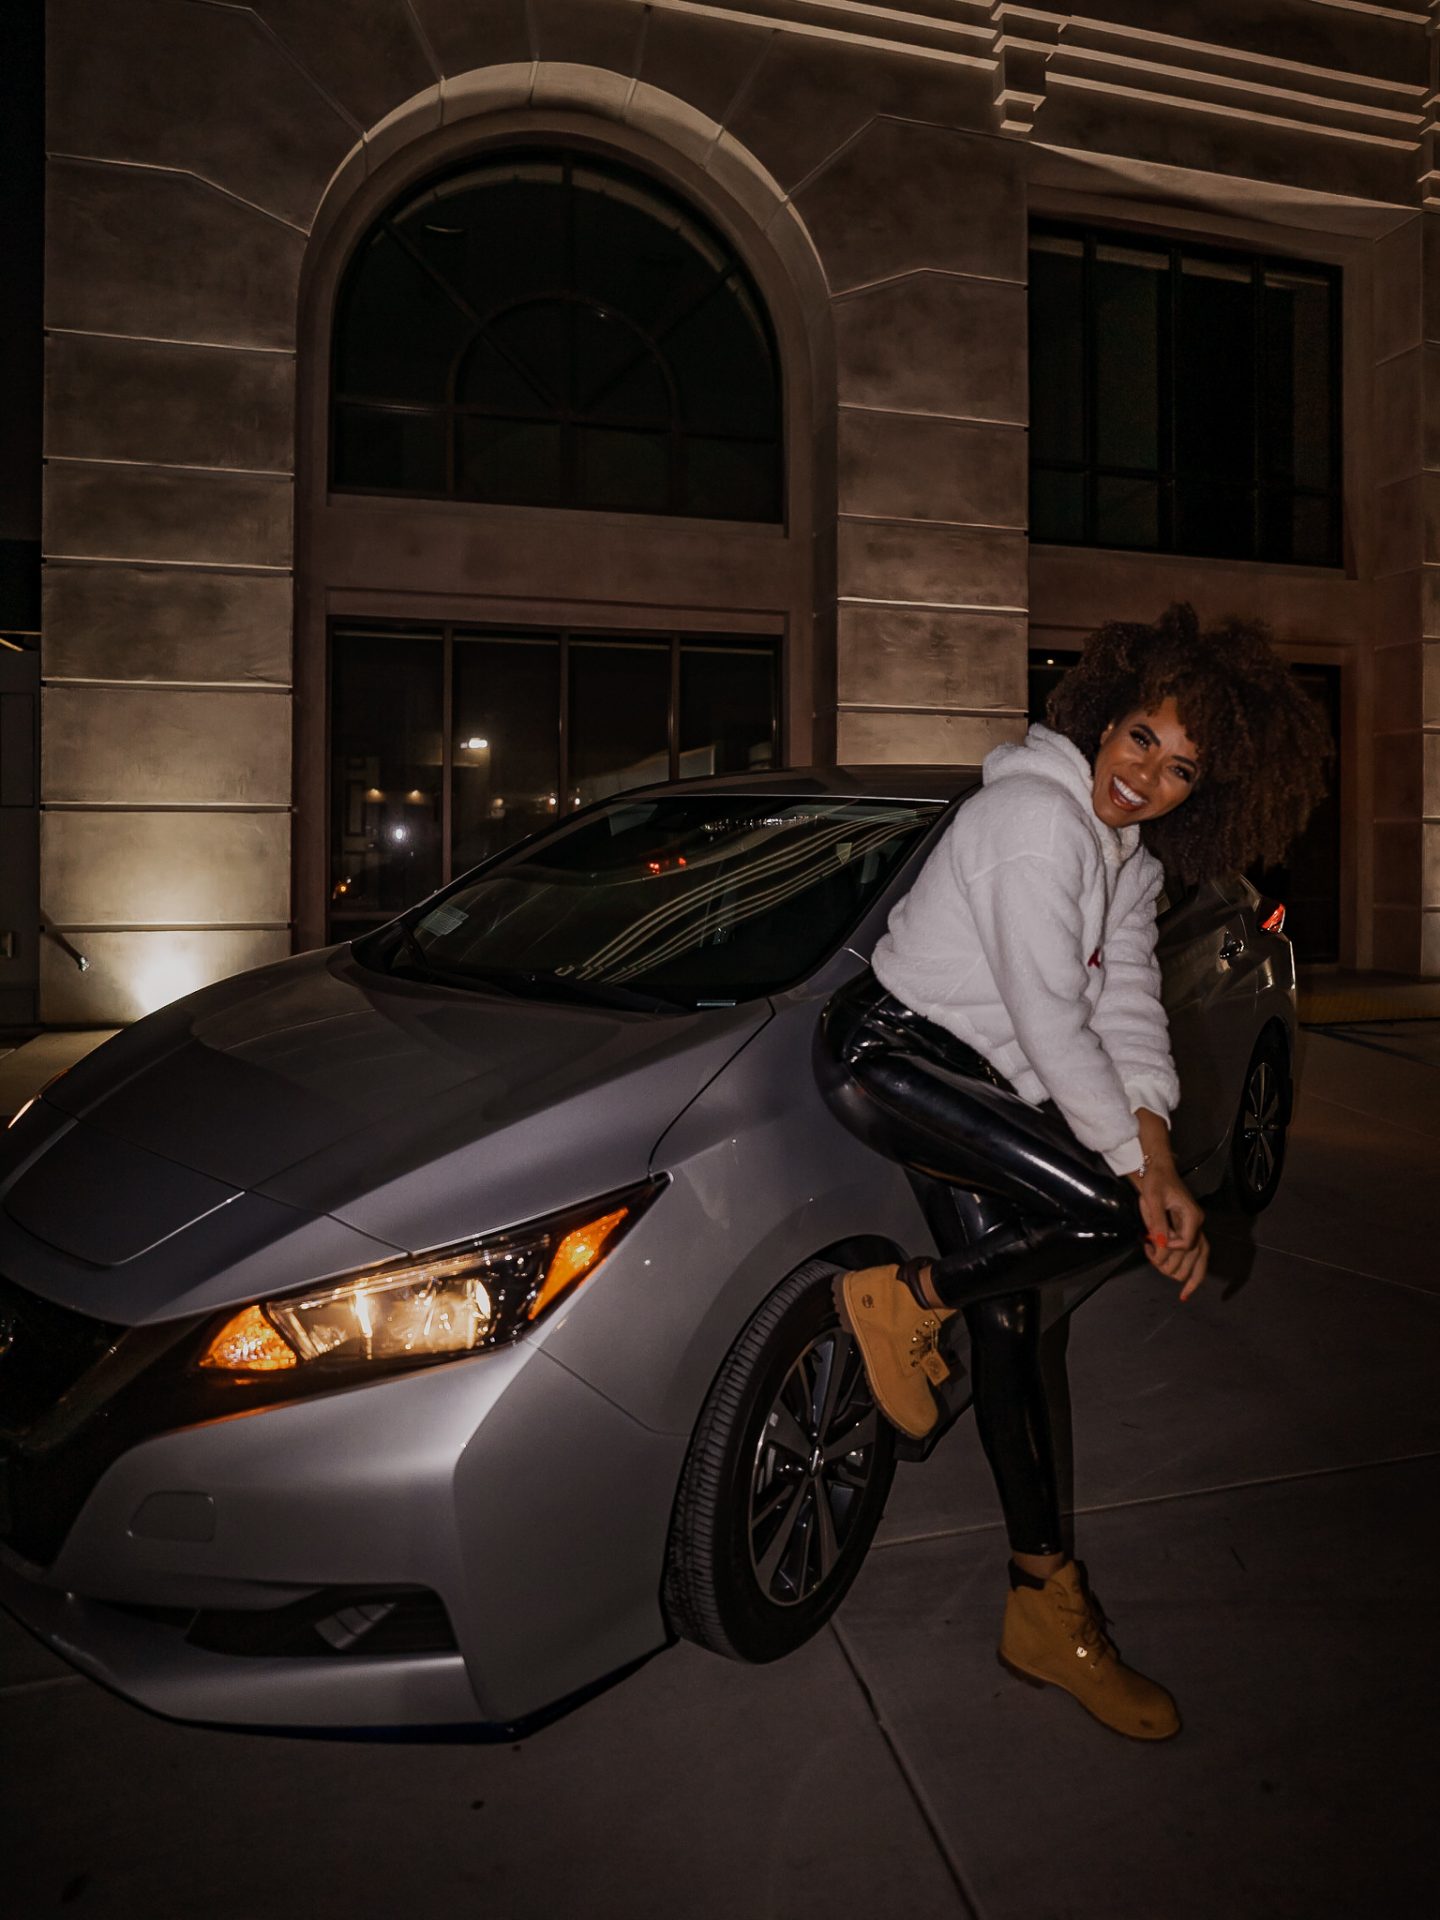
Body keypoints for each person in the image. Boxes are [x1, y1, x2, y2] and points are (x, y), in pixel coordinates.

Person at [822, 603, 1329, 1740]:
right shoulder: (1029, 819)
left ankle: (1043, 1607)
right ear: (1105, 714)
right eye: (1145, 737)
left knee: (1015, 1330)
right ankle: (904, 1300)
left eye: (1185, 769)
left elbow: (1127, 1010)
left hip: (979, 1081)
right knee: (1106, 1217)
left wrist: (1154, 1140)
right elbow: (1052, 1020)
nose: (1150, 776)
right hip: (893, 1055)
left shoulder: (1129, 867)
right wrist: (1142, 1178)